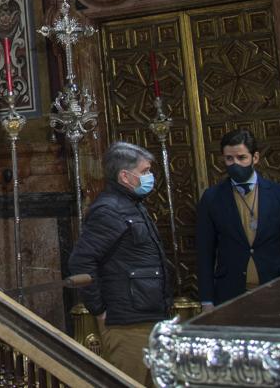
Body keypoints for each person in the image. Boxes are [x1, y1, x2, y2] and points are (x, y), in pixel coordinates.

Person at [68, 141, 170, 386]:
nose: (149, 177)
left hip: (147, 316)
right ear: (125, 176)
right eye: (144, 172)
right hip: (127, 323)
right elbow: (81, 261)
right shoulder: (110, 210)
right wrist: (99, 309)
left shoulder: (132, 205)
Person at [196, 128, 280, 311]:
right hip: (230, 293)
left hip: (277, 289)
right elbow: (205, 252)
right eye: (229, 159)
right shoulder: (212, 198)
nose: (235, 164)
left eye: (241, 158)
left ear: (255, 158)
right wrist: (206, 300)